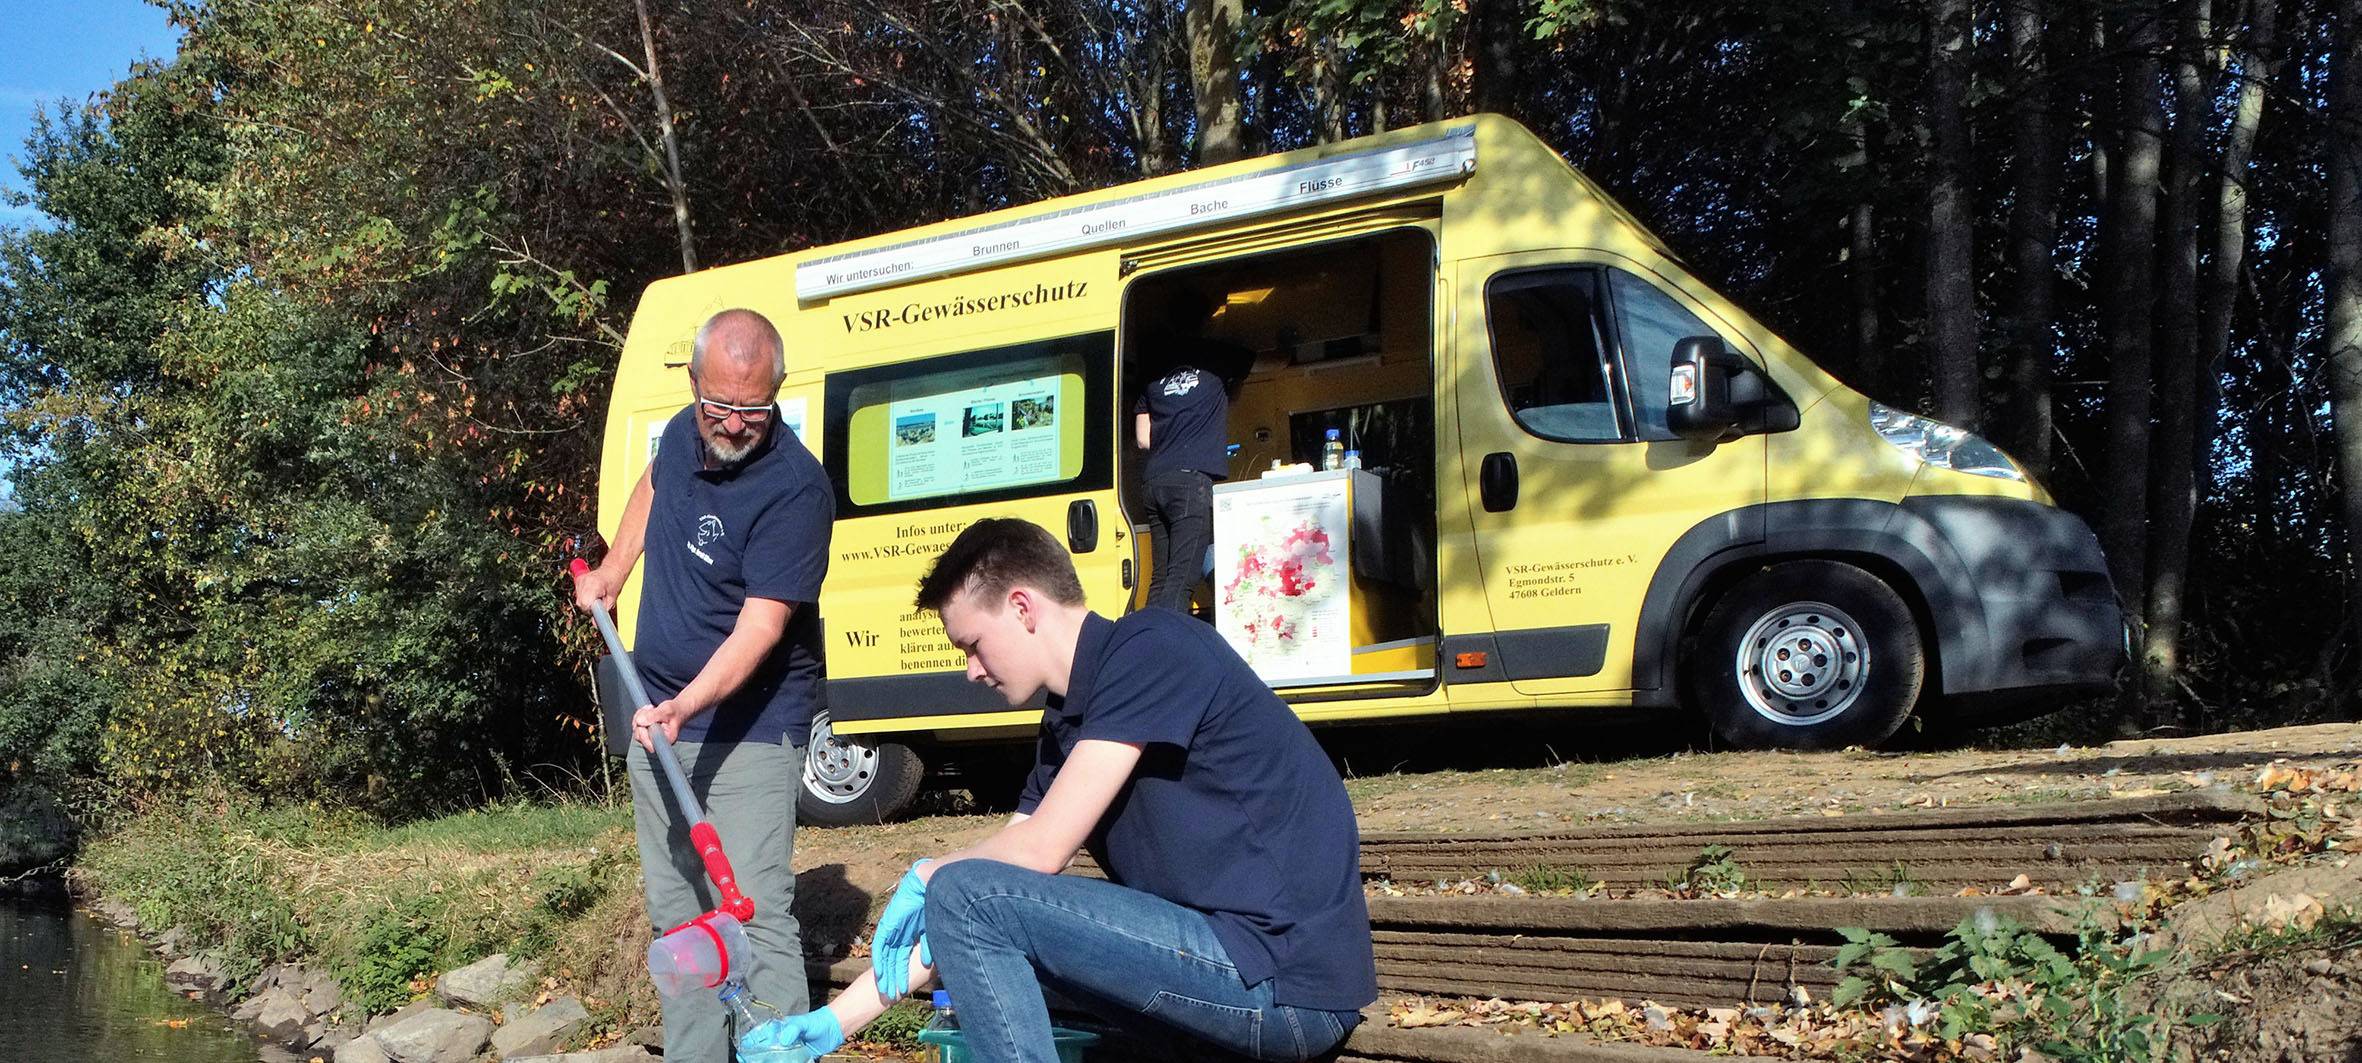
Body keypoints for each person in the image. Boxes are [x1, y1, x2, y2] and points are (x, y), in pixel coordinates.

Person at [741, 517, 1375, 1063]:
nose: (971, 670)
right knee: (971, 925)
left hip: (1281, 981)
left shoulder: (1152, 649)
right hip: (1220, 969)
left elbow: (1033, 856)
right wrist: (830, 1028)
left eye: (973, 645)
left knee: (963, 893)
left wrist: (930, 872)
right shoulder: (1067, 725)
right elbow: (988, 892)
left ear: (1022, 608)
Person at [568, 308, 832, 1062]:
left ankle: (773, 1052)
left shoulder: (798, 489)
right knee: (679, 917)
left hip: (748, 724)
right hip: (657, 711)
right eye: (719, 405)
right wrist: (616, 566)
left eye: (752, 409)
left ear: (774, 395)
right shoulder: (685, 432)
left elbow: (760, 627)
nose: (734, 423)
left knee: (751, 911)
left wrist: (688, 703)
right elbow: (655, 482)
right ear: (693, 384)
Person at [1133, 290, 1243, 613]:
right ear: (1207, 321)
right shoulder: (1219, 357)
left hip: (1155, 482)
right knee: (1182, 581)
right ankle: (1169, 654)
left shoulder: (1154, 371)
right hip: (1190, 484)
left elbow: (1142, 439)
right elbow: (1269, 362)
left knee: (1161, 578)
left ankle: (1151, 645)